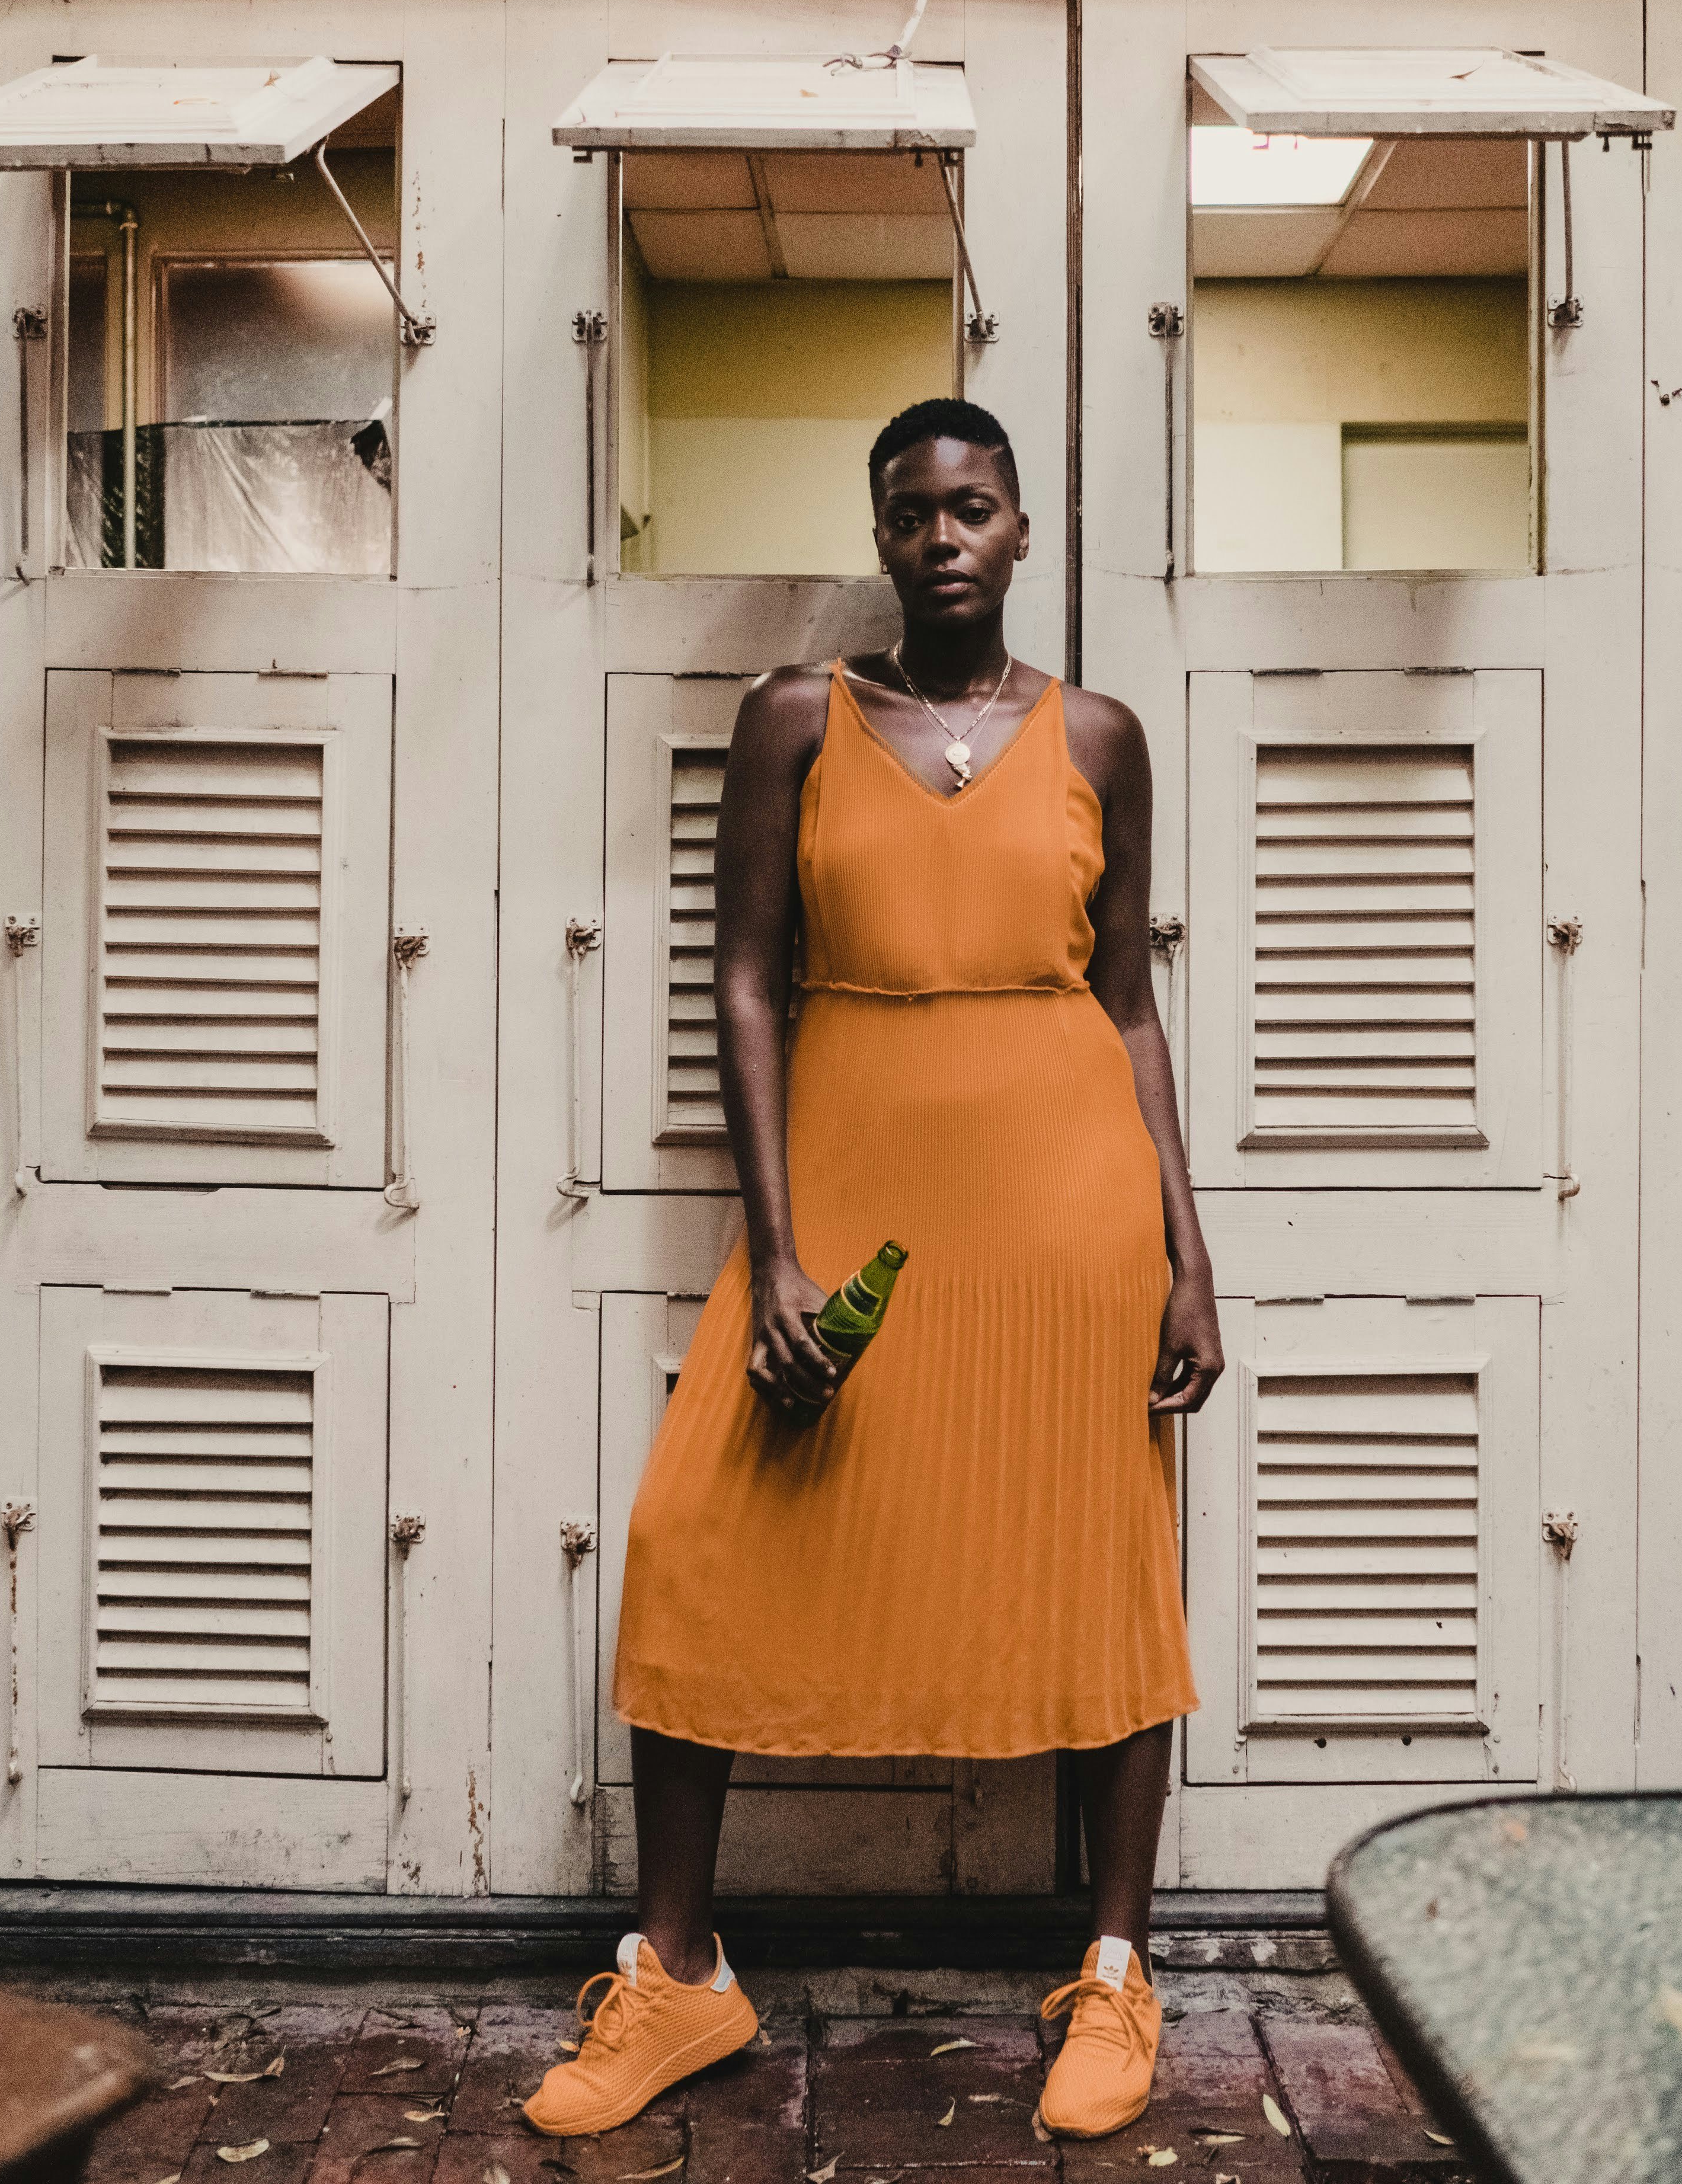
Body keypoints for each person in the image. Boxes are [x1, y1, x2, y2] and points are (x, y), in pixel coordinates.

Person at [525, 398, 1222, 2143]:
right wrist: (776, 1247)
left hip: (1066, 1198)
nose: (943, 538)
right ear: (880, 533)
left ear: (1022, 529)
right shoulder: (794, 720)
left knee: (1098, 1562)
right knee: (702, 1543)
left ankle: (1117, 1973)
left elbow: (1127, 1000)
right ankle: (679, 1977)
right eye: (911, 512)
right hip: (846, 1183)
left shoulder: (1103, 736)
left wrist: (1186, 1253)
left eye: (973, 507)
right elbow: (745, 982)